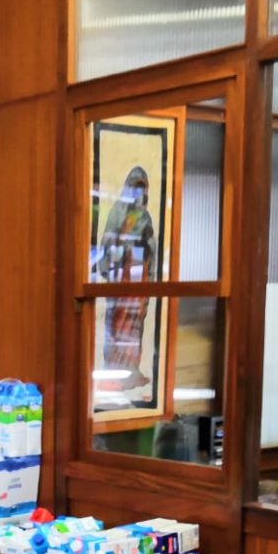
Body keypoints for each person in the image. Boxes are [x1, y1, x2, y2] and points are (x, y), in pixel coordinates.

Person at [96, 166, 158, 397]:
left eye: (142, 189)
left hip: (139, 278)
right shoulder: (117, 212)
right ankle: (114, 373)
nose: (138, 194)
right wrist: (112, 263)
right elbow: (108, 242)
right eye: (135, 189)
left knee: (134, 325)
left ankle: (131, 370)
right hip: (121, 278)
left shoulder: (145, 216)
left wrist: (149, 273)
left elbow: (152, 247)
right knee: (117, 325)